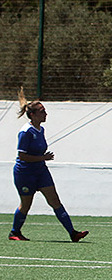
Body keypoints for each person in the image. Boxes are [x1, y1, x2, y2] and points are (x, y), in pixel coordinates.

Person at [10, 87, 89, 242]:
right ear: (32, 115)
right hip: (25, 173)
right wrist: (42, 158)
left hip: (40, 171)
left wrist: (42, 160)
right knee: (25, 205)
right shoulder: (26, 132)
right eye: (42, 111)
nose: (45, 114)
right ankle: (14, 232)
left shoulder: (41, 129)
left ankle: (73, 233)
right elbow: (22, 156)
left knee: (55, 201)